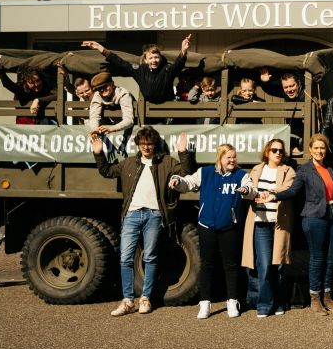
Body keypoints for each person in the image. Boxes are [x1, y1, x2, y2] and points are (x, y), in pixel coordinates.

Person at [91, 127, 191, 316]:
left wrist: (183, 151)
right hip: (132, 214)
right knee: (125, 258)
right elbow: (107, 171)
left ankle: (146, 298)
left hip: (154, 215)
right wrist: (98, 153)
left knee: (150, 257)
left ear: (155, 145)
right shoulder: (129, 163)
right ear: (138, 144)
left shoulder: (167, 162)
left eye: (150, 143)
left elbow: (186, 171)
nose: (146, 147)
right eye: (143, 143)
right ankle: (128, 300)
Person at [258, 134, 333, 315]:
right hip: (313, 218)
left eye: (322, 148)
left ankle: (327, 296)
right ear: (310, 150)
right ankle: (315, 298)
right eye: (316, 148)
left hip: (331, 216)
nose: (320, 151)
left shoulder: (329, 168)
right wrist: (275, 195)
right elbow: (293, 190)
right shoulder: (304, 170)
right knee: (318, 258)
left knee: (332, 258)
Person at [169, 144, 256, 319]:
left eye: (234, 157)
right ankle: (205, 303)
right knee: (207, 265)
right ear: (220, 158)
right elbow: (189, 183)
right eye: (228, 157)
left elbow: (252, 190)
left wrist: (246, 190)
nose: (232, 160)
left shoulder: (241, 175)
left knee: (230, 265)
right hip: (207, 226)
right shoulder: (206, 172)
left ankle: (232, 301)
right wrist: (178, 180)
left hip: (229, 227)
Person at [242, 139, 295, 318]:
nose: (278, 153)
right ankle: (264, 304)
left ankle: (279, 302)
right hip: (261, 224)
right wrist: (247, 191)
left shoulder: (288, 170)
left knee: (278, 266)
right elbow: (250, 189)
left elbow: (288, 188)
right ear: (267, 152)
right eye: (274, 150)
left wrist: (271, 194)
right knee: (263, 265)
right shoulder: (257, 170)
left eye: (280, 150)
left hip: (279, 224)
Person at [82, 35, 190, 109]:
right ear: (146, 60)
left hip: (167, 108)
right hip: (148, 110)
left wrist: (183, 51)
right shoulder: (140, 70)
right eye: (151, 58)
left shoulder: (167, 69)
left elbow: (178, 65)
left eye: (156, 57)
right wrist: (101, 49)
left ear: (160, 58)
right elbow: (120, 62)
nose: (154, 60)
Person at [0, 53, 57, 124]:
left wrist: (38, 100)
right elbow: (7, 84)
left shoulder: (46, 88)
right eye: (31, 82)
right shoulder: (21, 91)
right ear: (25, 83)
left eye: (38, 80)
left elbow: (58, 95)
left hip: (43, 128)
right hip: (24, 129)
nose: (36, 84)